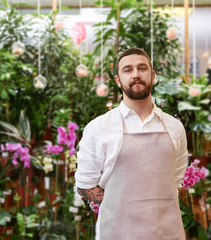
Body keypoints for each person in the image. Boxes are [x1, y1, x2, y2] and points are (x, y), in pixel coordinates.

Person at [75, 47, 188, 240]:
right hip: (118, 232)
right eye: (128, 70)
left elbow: (176, 177)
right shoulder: (98, 128)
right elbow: (85, 184)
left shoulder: (174, 127)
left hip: (167, 231)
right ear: (118, 81)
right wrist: (117, 203)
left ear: (153, 76)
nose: (136, 74)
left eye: (142, 68)